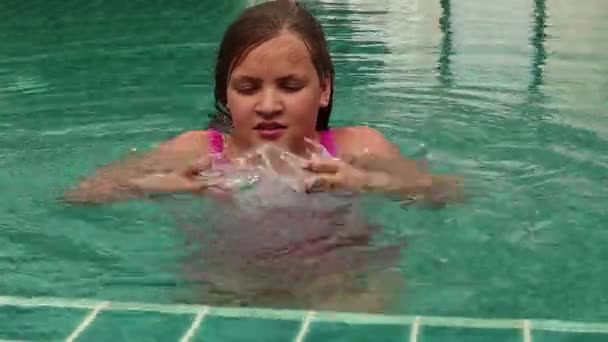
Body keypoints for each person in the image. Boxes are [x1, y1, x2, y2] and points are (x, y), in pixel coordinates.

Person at [63, 1, 461, 206]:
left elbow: (447, 194)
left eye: (289, 86)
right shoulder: (197, 153)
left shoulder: (358, 149)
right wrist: (156, 186)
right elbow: (81, 196)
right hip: (229, 283)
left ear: (323, 89)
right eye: (248, 88)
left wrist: (369, 183)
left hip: (338, 280)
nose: (268, 105)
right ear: (225, 94)